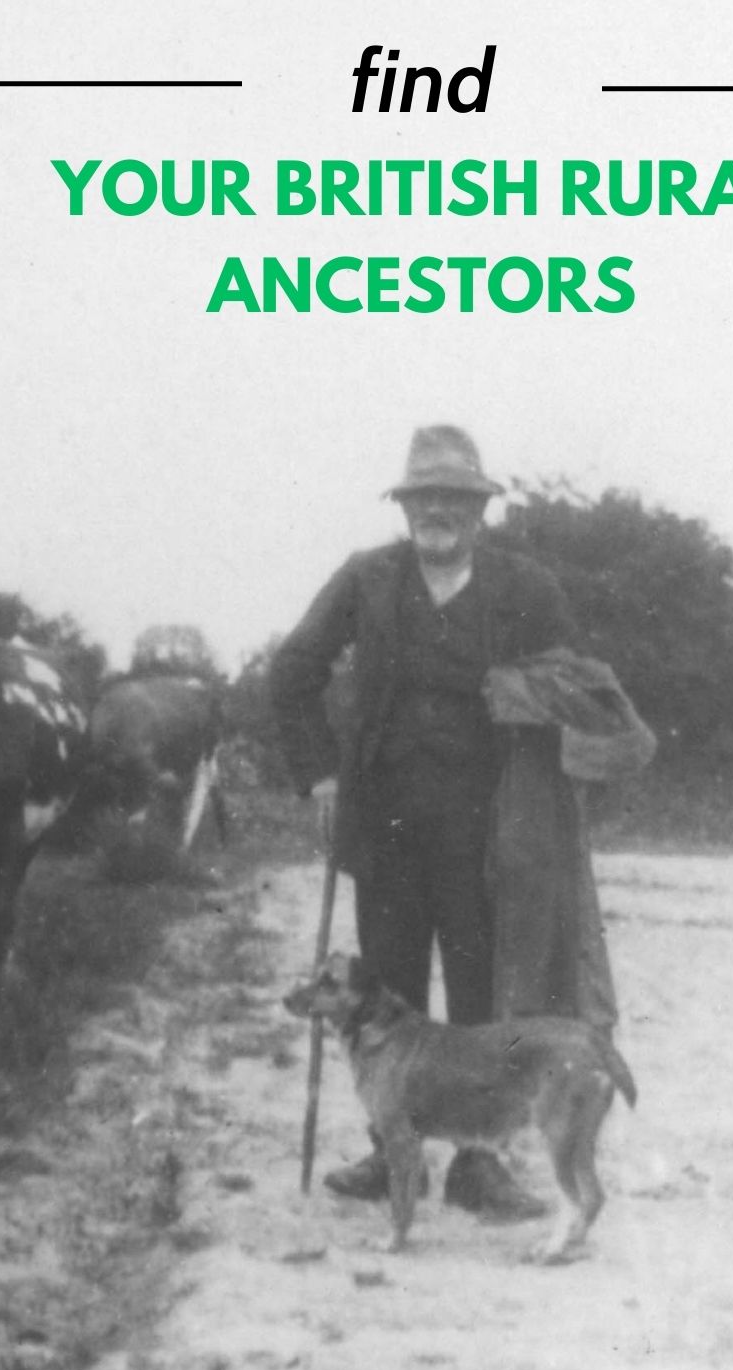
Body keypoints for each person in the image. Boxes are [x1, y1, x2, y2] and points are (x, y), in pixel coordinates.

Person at [270, 424, 587, 1219]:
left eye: (455, 498)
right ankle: (391, 1155)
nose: (437, 511)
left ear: (480, 510)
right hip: (385, 826)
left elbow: (576, 688)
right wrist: (317, 776)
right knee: (388, 991)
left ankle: (478, 1169)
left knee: (486, 1001)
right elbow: (293, 671)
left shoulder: (525, 588)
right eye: (423, 498)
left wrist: (534, 714)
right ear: (406, 507)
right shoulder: (367, 579)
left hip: (488, 831)